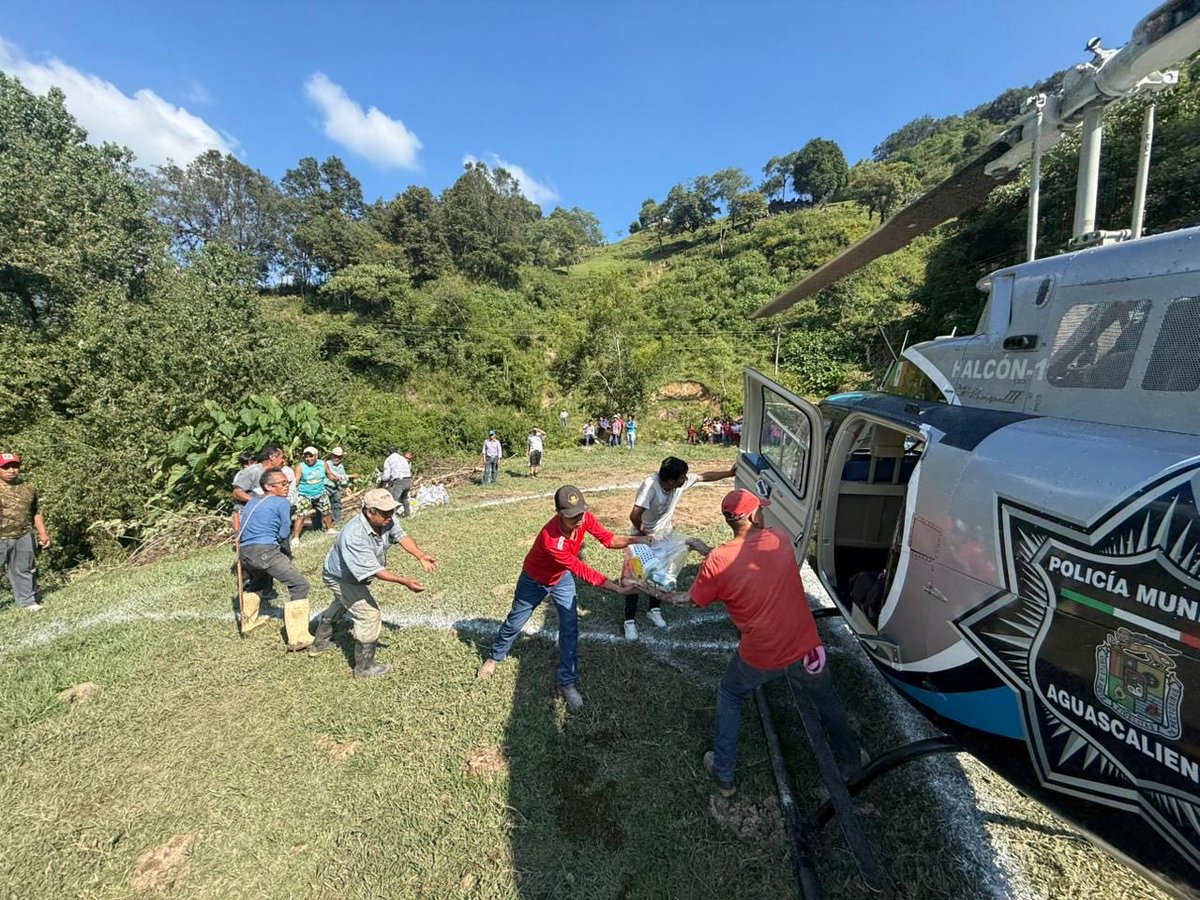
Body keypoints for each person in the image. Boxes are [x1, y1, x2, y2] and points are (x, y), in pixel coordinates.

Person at [652, 489, 861, 797]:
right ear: (751, 516)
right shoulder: (779, 539)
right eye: (760, 510)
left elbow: (693, 598)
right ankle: (852, 762)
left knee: (731, 693)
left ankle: (723, 772)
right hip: (806, 649)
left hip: (761, 656)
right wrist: (709, 553)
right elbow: (748, 563)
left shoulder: (719, 561)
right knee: (827, 699)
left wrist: (651, 590)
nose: (763, 514)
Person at [477, 485, 647, 709]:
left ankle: (567, 682)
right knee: (515, 622)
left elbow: (608, 539)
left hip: (561, 579)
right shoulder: (552, 540)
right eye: (571, 516)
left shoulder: (584, 519)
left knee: (570, 626)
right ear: (559, 513)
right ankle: (495, 657)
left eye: (580, 513)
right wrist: (616, 588)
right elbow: (581, 569)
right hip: (534, 581)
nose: (578, 519)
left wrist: (641, 540)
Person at [309, 488, 437, 677]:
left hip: (351, 576)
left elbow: (401, 536)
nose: (390, 516)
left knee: (343, 603)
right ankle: (364, 667)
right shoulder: (354, 536)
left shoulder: (386, 518)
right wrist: (404, 581)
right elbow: (376, 571)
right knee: (369, 614)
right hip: (340, 577)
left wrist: (421, 555)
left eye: (392, 510)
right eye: (385, 512)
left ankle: (319, 643)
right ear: (370, 511)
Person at [624, 456, 736, 639]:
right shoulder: (650, 485)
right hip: (641, 537)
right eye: (682, 477)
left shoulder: (678, 483)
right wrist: (644, 535)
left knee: (660, 574)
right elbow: (635, 515)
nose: (686, 479)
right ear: (670, 481)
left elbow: (703, 477)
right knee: (635, 578)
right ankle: (629, 621)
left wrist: (729, 473)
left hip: (665, 535)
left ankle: (654, 609)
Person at [237, 469, 312, 647]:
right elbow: (284, 532)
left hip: (245, 553)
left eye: (288, 483)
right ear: (268, 487)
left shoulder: (252, 502)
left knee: (260, 582)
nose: (287, 487)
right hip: (265, 551)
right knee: (299, 584)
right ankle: (298, 637)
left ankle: (248, 622)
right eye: (283, 484)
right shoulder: (281, 502)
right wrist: (285, 553)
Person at [0, 452, 51, 612]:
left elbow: (36, 511)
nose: (11, 470)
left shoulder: (29, 487)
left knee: (23, 569)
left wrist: (43, 533)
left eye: (15, 466)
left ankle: (28, 603)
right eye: (6, 467)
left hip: (23, 534)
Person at [293, 446, 332, 544]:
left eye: (311, 456)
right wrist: (293, 488)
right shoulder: (300, 466)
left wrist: (336, 478)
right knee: (301, 515)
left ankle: (329, 529)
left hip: (320, 492)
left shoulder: (323, 464)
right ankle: (296, 537)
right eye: (306, 457)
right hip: (305, 494)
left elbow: (329, 474)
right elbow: (297, 479)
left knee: (326, 511)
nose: (308, 459)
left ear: (316, 456)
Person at [231, 444, 284, 509]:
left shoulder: (275, 473)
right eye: (282, 457)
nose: (283, 461)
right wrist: (256, 502)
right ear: (272, 457)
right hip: (249, 513)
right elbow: (236, 493)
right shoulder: (253, 471)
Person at [323, 447, 360, 525]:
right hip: (326, 487)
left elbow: (342, 477)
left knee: (337, 504)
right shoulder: (327, 464)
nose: (337, 458)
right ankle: (326, 523)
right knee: (325, 506)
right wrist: (351, 476)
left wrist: (346, 487)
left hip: (335, 488)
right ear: (331, 455)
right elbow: (335, 476)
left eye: (339, 457)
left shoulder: (340, 466)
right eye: (335, 456)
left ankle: (336, 521)